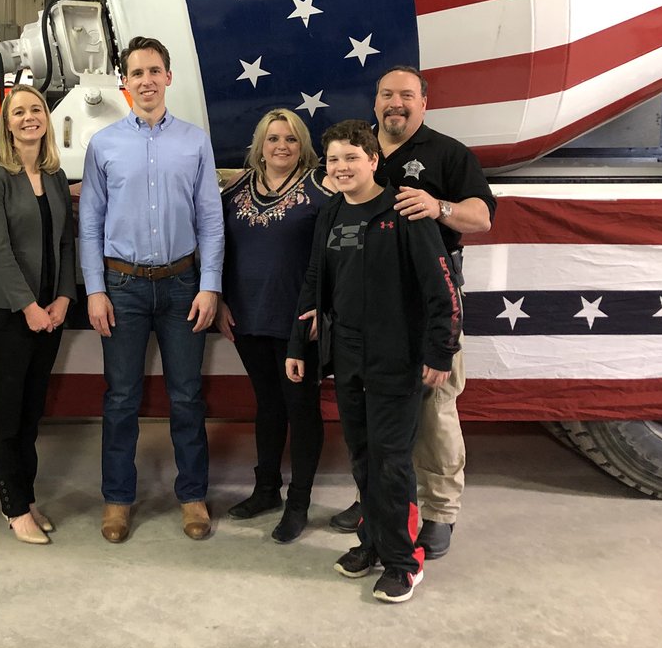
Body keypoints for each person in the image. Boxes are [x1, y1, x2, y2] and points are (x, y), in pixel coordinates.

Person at [289, 119, 461, 603]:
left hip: (396, 356)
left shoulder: (405, 211)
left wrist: (440, 352)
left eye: (351, 157)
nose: (341, 167)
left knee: (391, 461)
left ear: (373, 160)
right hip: (347, 355)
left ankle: (404, 561)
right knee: (363, 456)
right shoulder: (331, 212)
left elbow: (443, 289)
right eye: (333, 159)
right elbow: (314, 280)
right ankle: (372, 543)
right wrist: (298, 345)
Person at [328, 66, 494, 560]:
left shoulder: (447, 153)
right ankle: (377, 502)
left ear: (424, 102)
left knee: (433, 404)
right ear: (375, 101)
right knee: (372, 406)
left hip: (427, 299)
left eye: (405, 95)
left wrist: (438, 206)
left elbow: (482, 217)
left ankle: (440, 511)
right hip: (368, 302)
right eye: (386, 94)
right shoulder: (356, 148)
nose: (394, 103)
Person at [79, 35, 225, 543]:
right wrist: (94, 290)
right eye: (137, 72)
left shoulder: (195, 141)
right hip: (122, 287)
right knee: (121, 398)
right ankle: (117, 500)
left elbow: (210, 219)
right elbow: (90, 223)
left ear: (168, 77)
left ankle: (193, 496)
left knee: (187, 396)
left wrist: (210, 285)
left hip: (184, 285)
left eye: (154, 71)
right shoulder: (104, 145)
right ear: (124, 82)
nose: (146, 80)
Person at [216, 108, 334, 542]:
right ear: (259, 146)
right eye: (273, 138)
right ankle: (266, 488)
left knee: (301, 408)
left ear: (303, 145)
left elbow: (336, 256)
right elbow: (218, 247)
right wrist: (220, 299)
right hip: (247, 316)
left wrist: (325, 309)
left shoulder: (323, 188)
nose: (281, 146)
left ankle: (299, 502)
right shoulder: (235, 189)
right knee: (267, 404)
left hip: (298, 320)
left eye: (290, 138)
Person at [0, 86, 76, 545]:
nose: (29, 117)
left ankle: (27, 496)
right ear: (7, 124)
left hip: (51, 312)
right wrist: (28, 306)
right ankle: (13, 507)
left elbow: (67, 243)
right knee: (7, 413)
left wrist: (64, 298)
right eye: (19, 112)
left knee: (32, 413)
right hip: (10, 313)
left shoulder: (54, 176)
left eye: (36, 109)